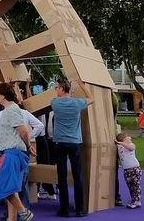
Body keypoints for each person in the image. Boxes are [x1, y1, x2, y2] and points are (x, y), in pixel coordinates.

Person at [51, 78, 94, 218]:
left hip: (60, 143)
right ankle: (80, 209)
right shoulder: (77, 103)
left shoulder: (55, 103)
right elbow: (92, 98)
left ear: (63, 89)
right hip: (74, 142)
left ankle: (64, 209)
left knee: (62, 178)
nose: (56, 90)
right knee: (77, 177)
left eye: (57, 87)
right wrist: (82, 85)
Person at [0, 83, 35, 221]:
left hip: (11, 153)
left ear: (3, 95)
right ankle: (12, 218)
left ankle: (23, 212)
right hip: (11, 152)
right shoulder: (10, 109)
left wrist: (29, 146)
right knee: (12, 188)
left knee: (3, 185)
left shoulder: (11, 110)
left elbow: (23, 130)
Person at [115, 133, 142, 209]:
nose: (130, 139)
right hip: (127, 170)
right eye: (128, 138)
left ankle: (137, 201)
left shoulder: (131, 145)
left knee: (136, 185)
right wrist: (118, 143)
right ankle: (134, 199)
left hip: (135, 169)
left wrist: (121, 143)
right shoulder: (119, 147)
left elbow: (131, 148)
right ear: (123, 139)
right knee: (130, 186)